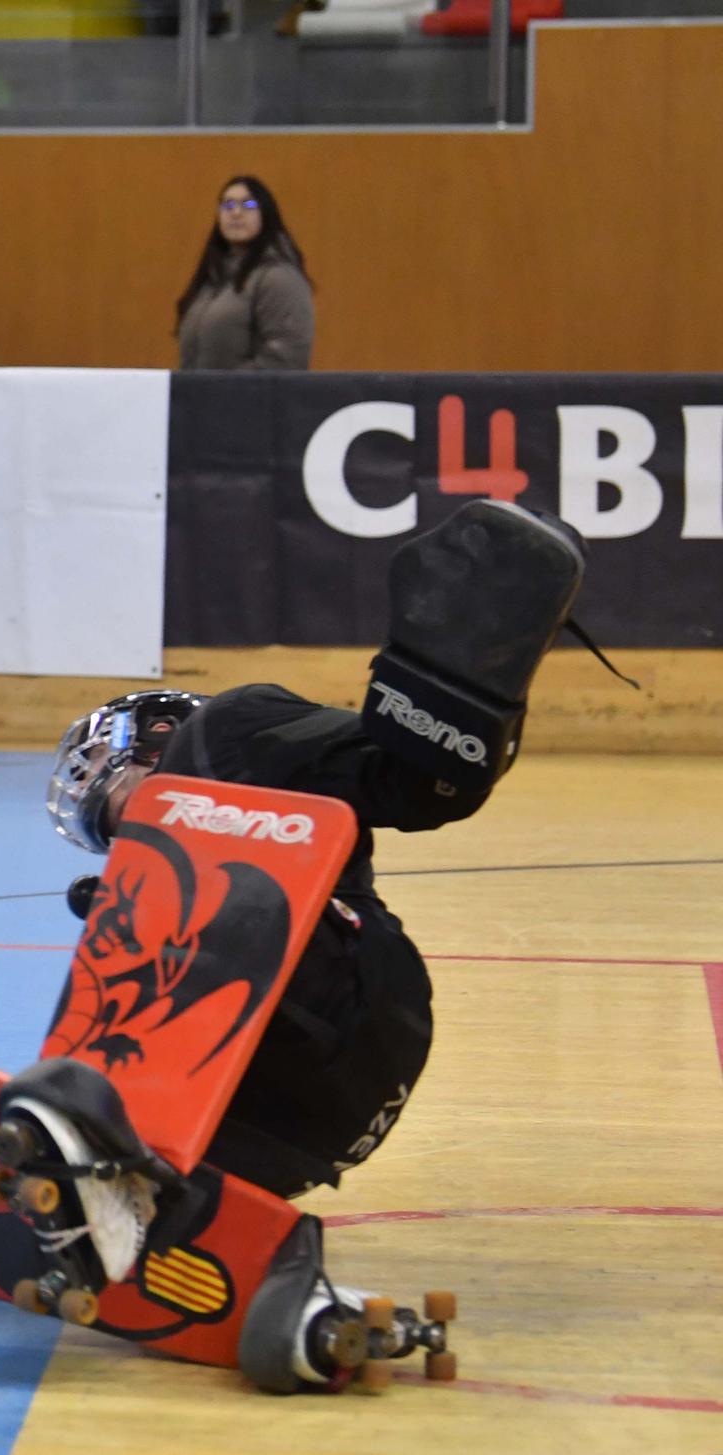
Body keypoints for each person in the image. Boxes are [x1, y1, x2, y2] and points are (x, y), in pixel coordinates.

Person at [30, 500, 586, 1389]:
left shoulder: (235, 736)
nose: (111, 814)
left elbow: (408, 780)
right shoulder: (160, 892)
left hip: (347, 989)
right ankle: (303, 1307)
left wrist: (465, 678)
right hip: (305, 1116)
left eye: (110, 783)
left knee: (139, 942)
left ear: (160, 737)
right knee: (119, 1150)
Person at [174, 175, 314, 370]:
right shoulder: (211, 280)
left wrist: (225, 390)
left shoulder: (279, 277)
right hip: (204, 398)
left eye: (248, 205)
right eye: (228, 205)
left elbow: (286, 357)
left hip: (249, 398)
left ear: (266, 213)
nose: (236, 213)